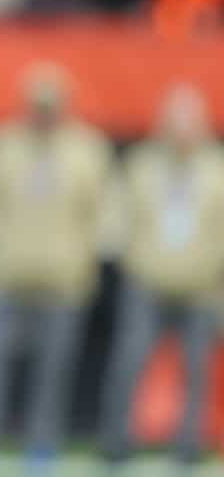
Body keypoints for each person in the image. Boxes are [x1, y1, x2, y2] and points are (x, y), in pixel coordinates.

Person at [0, 63, 112, 473]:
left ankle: (42, 445)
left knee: (53, 369)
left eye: (51, 105)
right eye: (38, 105)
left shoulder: (87, 149)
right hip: (4, 273)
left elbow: (100, 213)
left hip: (63, 278)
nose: (44, 113)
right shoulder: (2, 143)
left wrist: (83, 261)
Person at [99, 84, 224, 470]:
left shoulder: (218, 168)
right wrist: (135, 264)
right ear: (162, 124)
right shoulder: (141, 165)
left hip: (201, 286)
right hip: (147, 282)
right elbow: (118, 221)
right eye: (175, 120)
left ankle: (187, 447)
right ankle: (116, 444)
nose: (182, 129)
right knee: (129, 362)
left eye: (189, 121)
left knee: (197, 370)